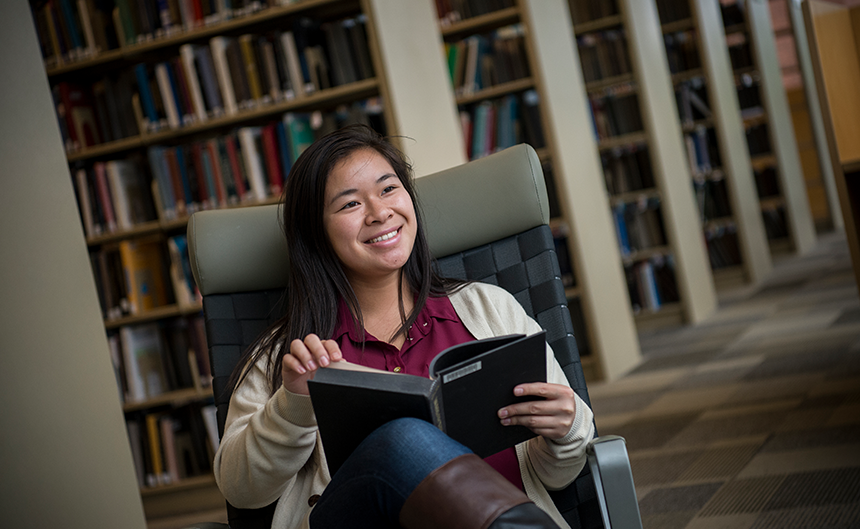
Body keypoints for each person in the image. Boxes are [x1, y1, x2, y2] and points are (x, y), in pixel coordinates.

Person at [213, 124, 595, 529]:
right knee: (402, 437)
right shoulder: (289, 355)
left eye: (388, 189)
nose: (380, 213)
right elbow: (241, 490)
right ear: (317, 234)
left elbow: (559, 474)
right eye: (349, 205)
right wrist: (293, 405)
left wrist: (566, 429)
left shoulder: (490, 308)